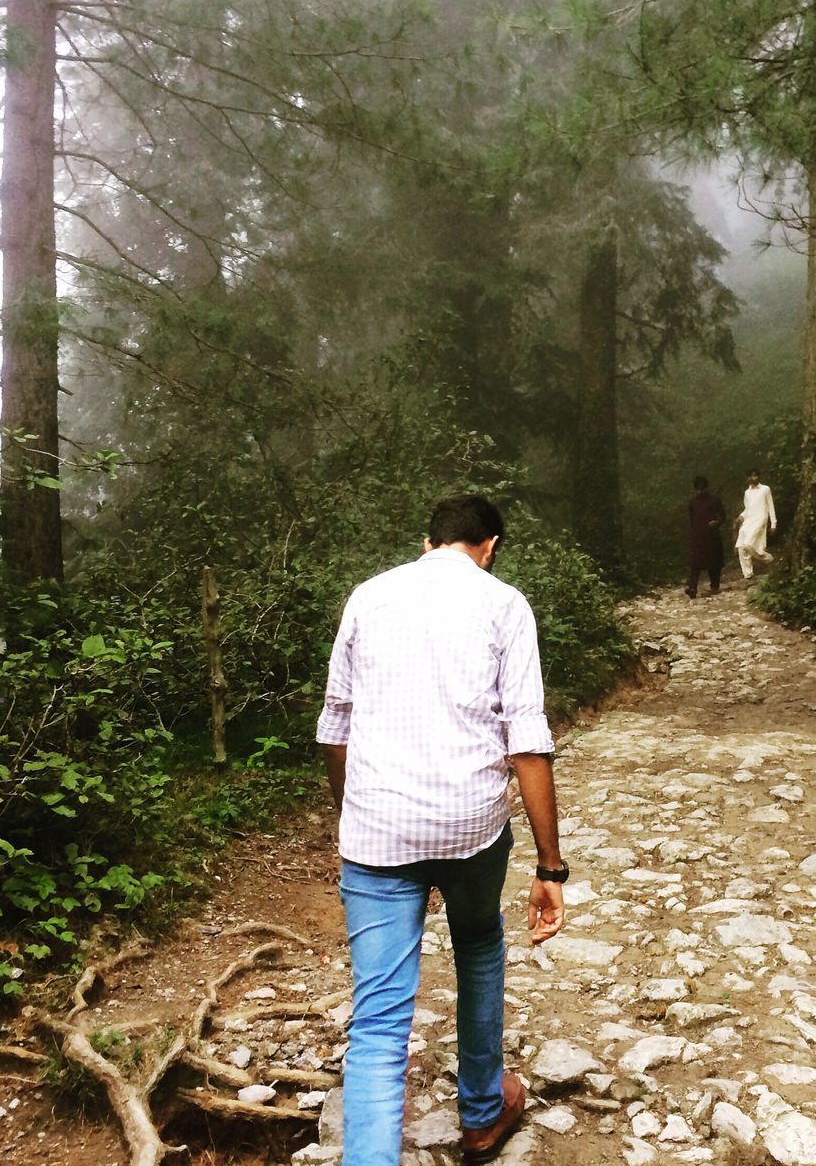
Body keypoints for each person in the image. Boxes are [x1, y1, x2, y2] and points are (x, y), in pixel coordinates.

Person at [317, 495, 566, 1166]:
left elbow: (335, 725)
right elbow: (528, 743)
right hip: (471, 827)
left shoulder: (368, 598)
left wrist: (354, 816)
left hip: (377, 832)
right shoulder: (503, 603)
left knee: (377, 1023)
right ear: (489, 547)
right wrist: (550, 868)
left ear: (427, 542)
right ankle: (483, 1113)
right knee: (479, 939)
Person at [685, 474, 726, 598]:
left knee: (714, 562)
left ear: (706, 487)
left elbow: (723, 516)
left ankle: (714, 586)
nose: (701, 490)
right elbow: (691, 520)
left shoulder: (714, 500)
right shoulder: (692, 502)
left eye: (702, 488)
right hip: (698, 536)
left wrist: (717, 522)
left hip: (711, 534)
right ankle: (692, 588)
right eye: (699, 488)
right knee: (695, 564)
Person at [735, 470, 777, 580]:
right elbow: (747, 508)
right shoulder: (747, 492)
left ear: (759, 477)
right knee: (741, 546)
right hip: (748, 520)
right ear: (747, 478)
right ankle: (748, 574)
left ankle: (769, 559)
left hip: (760, 520)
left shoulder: (765, 489)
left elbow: (770, 507)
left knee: (749, 545)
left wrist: (773, 524)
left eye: (755, 475)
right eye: (751, 476)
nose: (753, 478)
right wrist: (741, 516)